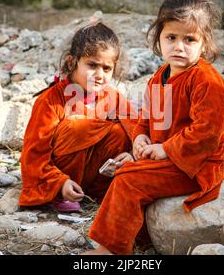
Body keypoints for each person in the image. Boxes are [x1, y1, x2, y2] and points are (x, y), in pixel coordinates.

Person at [83, 0, 224, 255]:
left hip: (195, 166)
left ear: (204, 43)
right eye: (171, 37)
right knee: (121, 169)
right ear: (159, 38)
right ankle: (144, 241)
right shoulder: (160, 76)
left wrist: (166, 149)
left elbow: (207, 134)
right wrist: (140, 137)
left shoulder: (207, 81)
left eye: (189, 39)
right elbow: (148, 117)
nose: (179, 46)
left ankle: (110, 252)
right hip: (166, 159)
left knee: (129, 181)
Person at [19, 21, 137, 212]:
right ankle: (61, 195)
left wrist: (131, 155)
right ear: (72, 62)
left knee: (119, 131)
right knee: (77, 126)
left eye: (107, 69)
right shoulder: (51, 100)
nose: (99, 75)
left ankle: (98, 194)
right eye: (92, 65)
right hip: (61, 180)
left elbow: (138, 129)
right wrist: (59, 183)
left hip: (94, 183)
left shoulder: (112, 96)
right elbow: (33, 155)